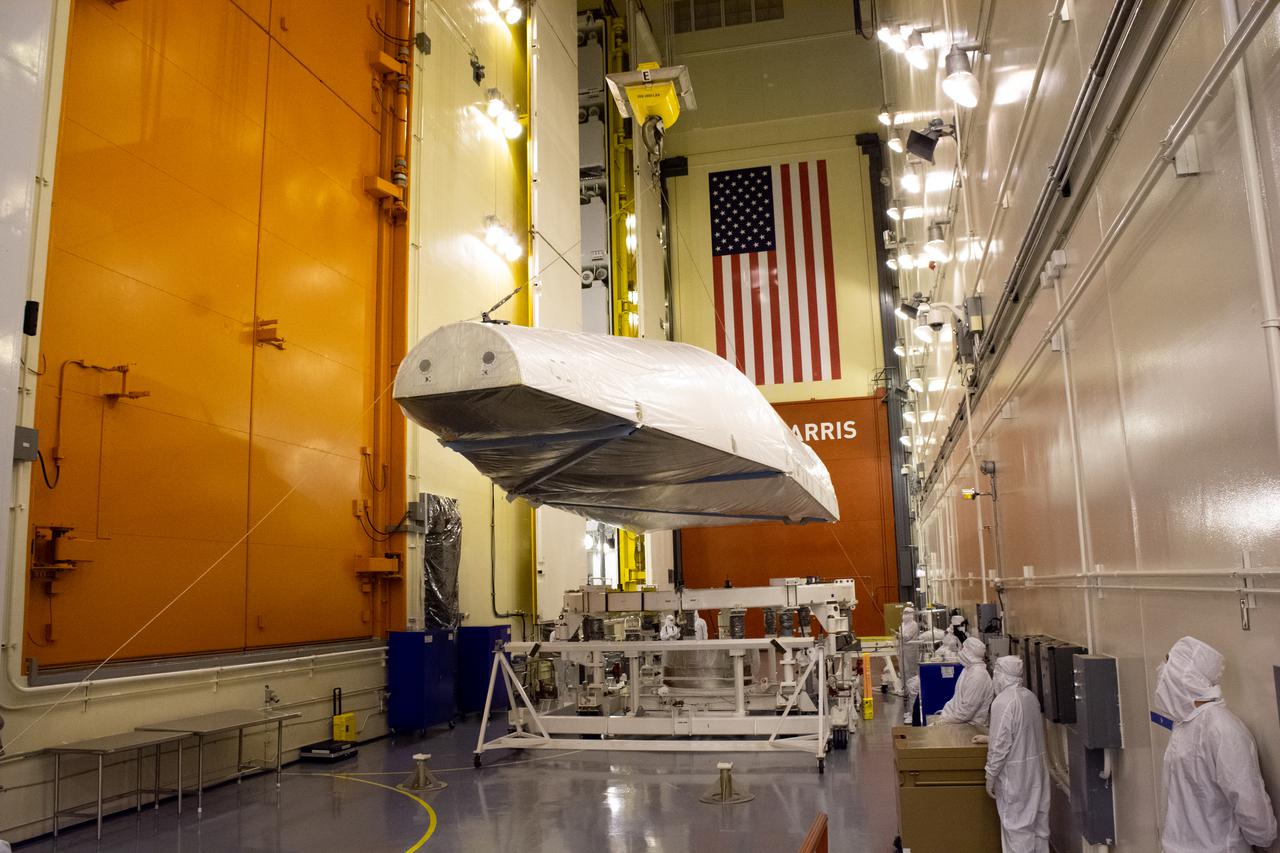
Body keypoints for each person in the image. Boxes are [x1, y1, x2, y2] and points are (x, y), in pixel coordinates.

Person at [1156, 636, 1276, 853]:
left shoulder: (1223, 730)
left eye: (1168, 667)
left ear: (1186, 678)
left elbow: (1253, 812)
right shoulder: (1185, 724)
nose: (1162, 675)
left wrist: (1261, 838)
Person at [985, 656, 1049, 852]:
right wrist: (988, 738)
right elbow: (1022, 732)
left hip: (1016, 775)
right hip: (1036, 772)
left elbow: (999, 747)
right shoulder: (1029, 696)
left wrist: (990, 775)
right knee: (1038, 826)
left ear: (1001, 675)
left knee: (1017, 828)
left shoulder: (1003, 702)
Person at [935, 637, 993, 727]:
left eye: (963, 649)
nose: (960, 652)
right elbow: (957, 700)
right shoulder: (968, 669)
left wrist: (945, 721)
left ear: (969, 653)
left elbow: (967, 711)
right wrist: (946, 713)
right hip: (957, 720)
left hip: (970, 726)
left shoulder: (978, 676)